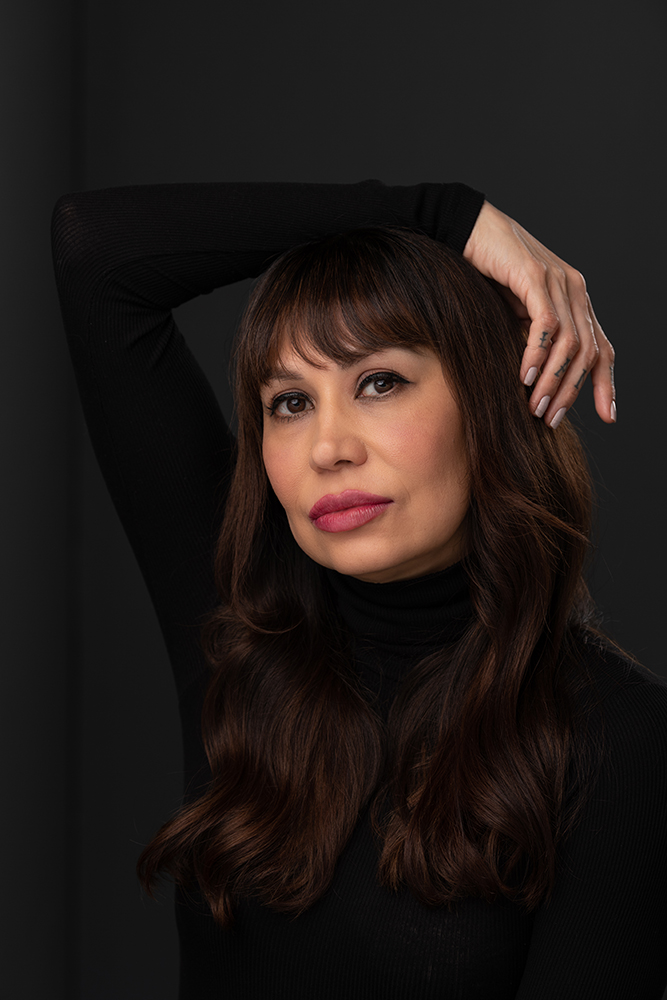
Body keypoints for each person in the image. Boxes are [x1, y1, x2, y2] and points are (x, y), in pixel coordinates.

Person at [52, 180, 666, 999]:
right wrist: (443, 215)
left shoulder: (620, 739)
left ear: (495, 399)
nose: (327, 447)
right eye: (289, 402)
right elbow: (99, 249)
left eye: (378, 382)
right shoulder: (240, 633)